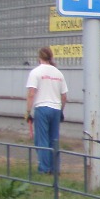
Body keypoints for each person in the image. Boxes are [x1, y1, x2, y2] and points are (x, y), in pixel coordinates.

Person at [25, 46, 68, 174]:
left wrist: (28, 112)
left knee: (42, 140)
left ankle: (44, 169)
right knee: (54, 140)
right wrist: (61, 111)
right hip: (55, 109)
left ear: (39, 58)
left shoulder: (35, 72)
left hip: (42, 108)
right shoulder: (58, 73)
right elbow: (64, 96)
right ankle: (55, 169)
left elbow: (31, 93)